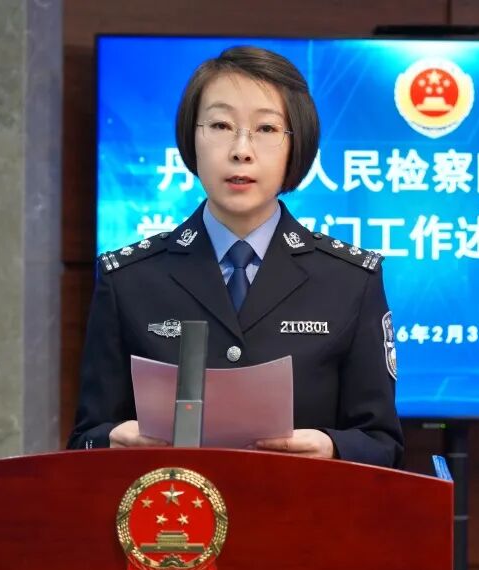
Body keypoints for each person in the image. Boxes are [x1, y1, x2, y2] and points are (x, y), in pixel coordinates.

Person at [67, 46, 403, 468]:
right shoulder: (129, 279)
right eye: (221, 125)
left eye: (266, 128)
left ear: (296, 145)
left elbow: (383, 446)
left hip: (302, 507)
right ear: (191, 137)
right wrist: (112, 440)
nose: (241, 150)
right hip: (175, 508)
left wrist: (332, 448)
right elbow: (85, 438)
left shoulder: (351, 280)